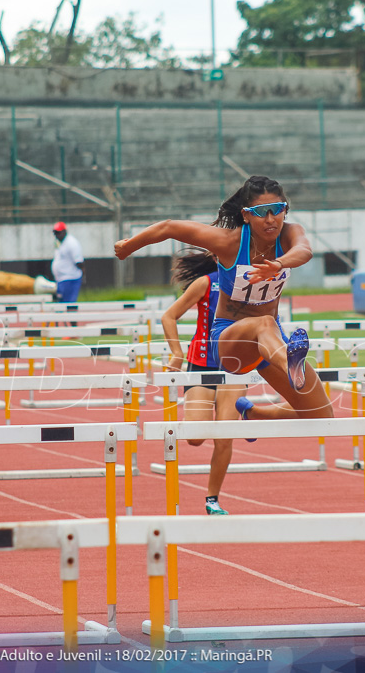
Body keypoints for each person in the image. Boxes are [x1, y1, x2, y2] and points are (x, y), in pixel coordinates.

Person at [115, 175, 333, 426]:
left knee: (322, 415)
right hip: (230, 340)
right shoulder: (229, 243)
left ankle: (253, 413)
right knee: (263, 322)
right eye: (262, 212)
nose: (272, 219)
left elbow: (304, 250)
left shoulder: (289, 234)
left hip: (272, 344)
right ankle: (291, 364)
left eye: (278, 209)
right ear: (246, 215)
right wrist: (129, 246)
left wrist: (279, 264)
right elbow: (169, 227)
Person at [161, 249, 247, 515]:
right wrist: (176, 353)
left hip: (235, 368)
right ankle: (223, 414)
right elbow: (169, 316)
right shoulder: (206, 283)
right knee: (196, 438)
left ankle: (212, 499)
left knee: (224, 438)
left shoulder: (251, 284)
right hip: (201, 364)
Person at [51, 221, 84, 303]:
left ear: (64, 231)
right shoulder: (60, 243)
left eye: (58, 233)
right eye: (55, 233)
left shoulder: (72, 243)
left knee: (68, 304)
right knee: (61, 305)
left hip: (70, 278)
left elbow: (79, 261)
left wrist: (83, 274)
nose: (56, 235)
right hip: (61, 279)